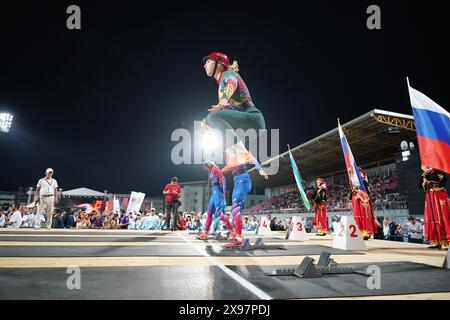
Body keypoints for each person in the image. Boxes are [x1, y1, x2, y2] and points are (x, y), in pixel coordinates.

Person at [202, 52, 266, 145]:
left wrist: (223, 100)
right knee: (209, 126)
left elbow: (232, 82)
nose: (205, 65)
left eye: (208, 62)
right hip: (246, 124)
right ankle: (247, 158)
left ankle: (240, 153)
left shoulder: (227, 74)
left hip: (253, 117)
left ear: (219, 64)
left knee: (212, 117)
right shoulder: (221, 85)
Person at [196, 161, 233, 240]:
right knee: (209, 212)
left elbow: (223, 179)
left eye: (204, 166)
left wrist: (223, 191)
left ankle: (232, 231)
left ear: (208, 165)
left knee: (219, 213)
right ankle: (205, 233)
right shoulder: (212, 170)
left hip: (218, 192)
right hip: (214, 192)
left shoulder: (215, 169)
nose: (204, 168)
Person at [419, 166, 450, 249]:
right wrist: (424, 175)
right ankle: (437, 241)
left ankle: (447, 242)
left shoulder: (440, 171)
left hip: (439, 197)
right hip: (430, 197)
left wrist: (426, 172)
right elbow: (419, 185)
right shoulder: (427, 172)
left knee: (444, 218)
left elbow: (435, 178)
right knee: (432, 219)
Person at [349, 168, 378, 240]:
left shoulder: (364, 182)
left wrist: (360, 195)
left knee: (364, 216)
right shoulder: (353, 183)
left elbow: (368, 192)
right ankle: (360, 232)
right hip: (356, 202)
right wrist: (350, 200)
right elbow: (351, 193)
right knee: (357, 216)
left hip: (363, 201)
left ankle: (366, 233)